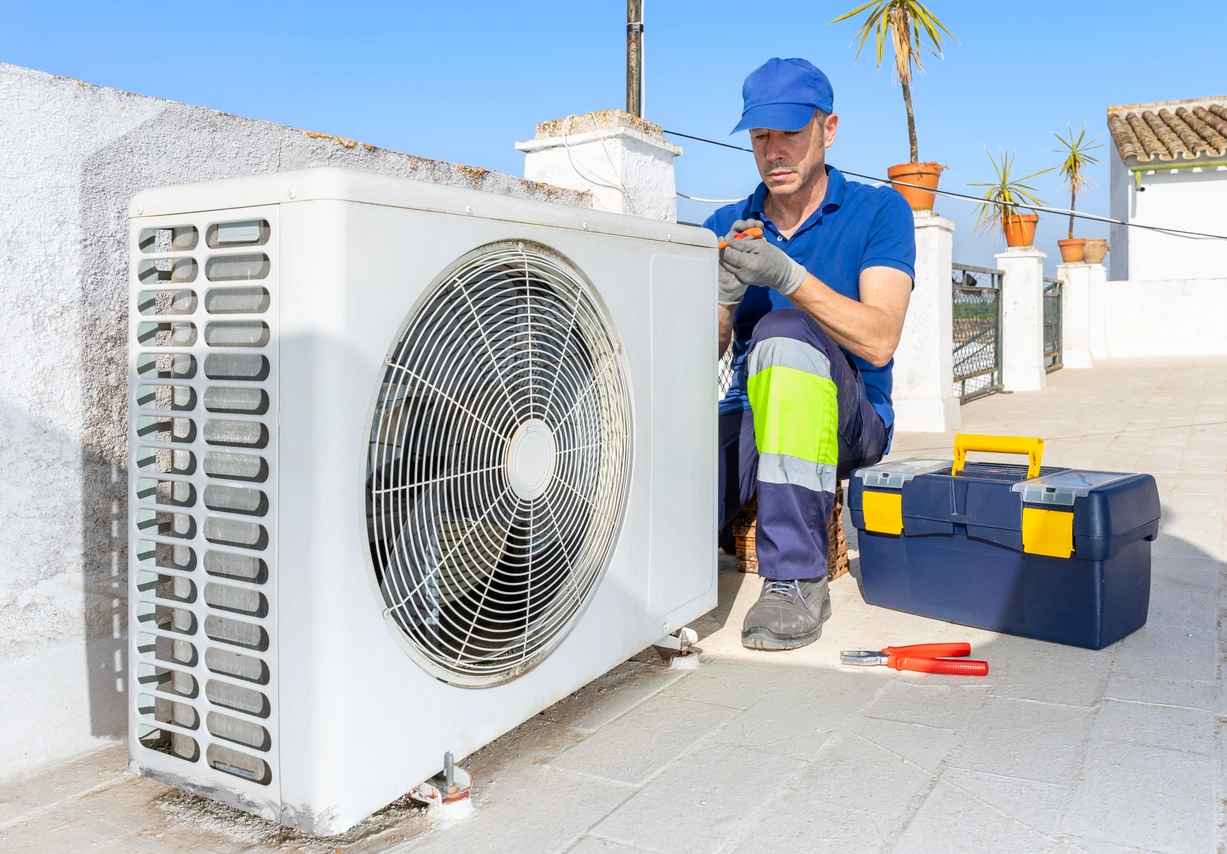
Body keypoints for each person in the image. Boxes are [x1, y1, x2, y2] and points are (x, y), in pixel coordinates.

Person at [706, 57, 916, 651]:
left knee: (783, 329)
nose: (774, 151)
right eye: (761, 136)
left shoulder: (880, 211)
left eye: (791, 133)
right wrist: (722, 302)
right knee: (665, 477)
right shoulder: (727, 223)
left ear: (829, 129)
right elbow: (703, 353)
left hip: (854, 419)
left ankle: (796, 579)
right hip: (750, 411)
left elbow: (880, 337)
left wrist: (789, 276)